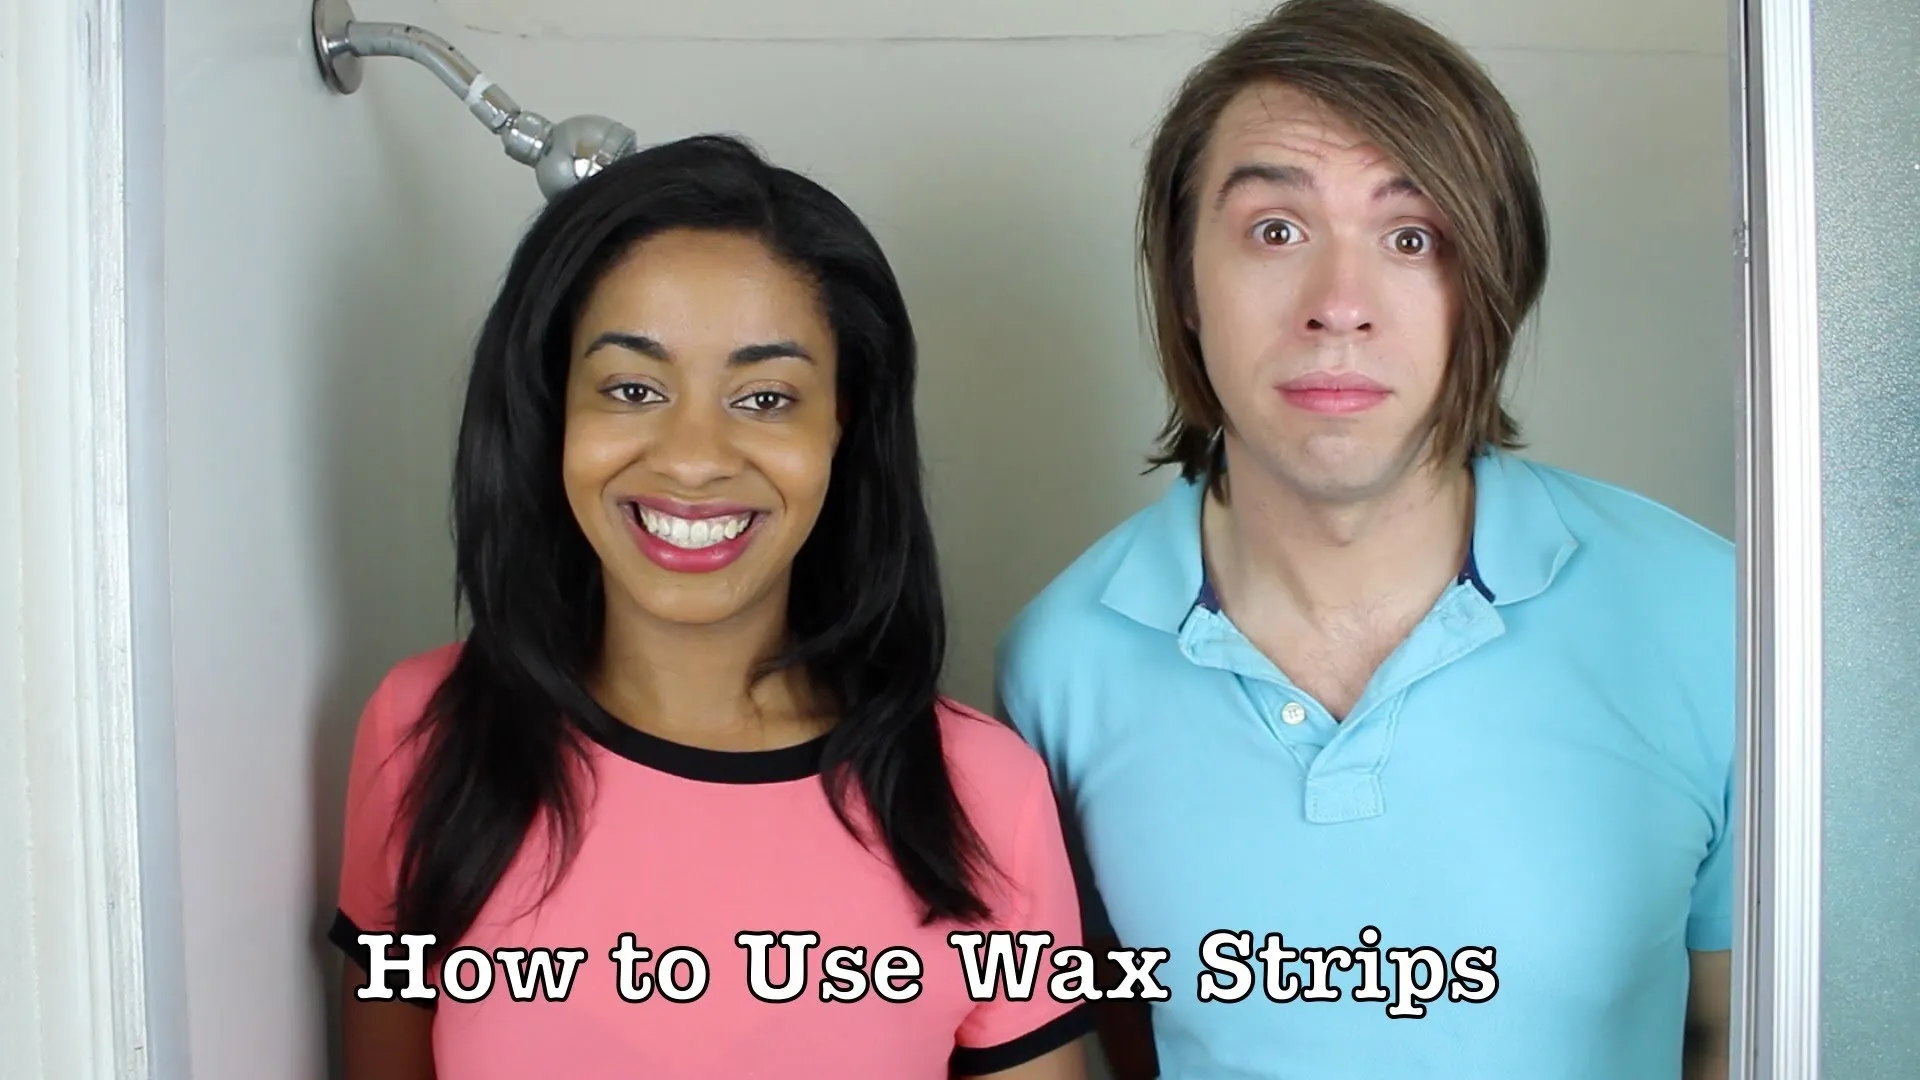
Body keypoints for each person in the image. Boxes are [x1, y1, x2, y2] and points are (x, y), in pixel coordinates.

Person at [993, 1, 1734, 1077]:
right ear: (1185, 283)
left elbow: (1741, 1033)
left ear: (1491, 284)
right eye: (1276, 231)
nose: (1340, 304)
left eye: (1410, 236)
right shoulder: (1057, 666)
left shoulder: (1712, 618)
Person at [330, 134, 1092, 1079]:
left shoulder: (984, 793)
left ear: (842, 431)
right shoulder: (425, 735)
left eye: (766, 397)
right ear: (552, 408)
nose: (694, 458)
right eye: (633, 388)